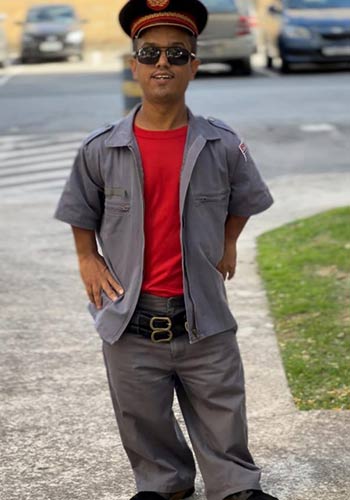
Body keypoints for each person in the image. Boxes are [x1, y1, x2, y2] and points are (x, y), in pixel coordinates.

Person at [55, 1, 279, 499]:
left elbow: (247, 197)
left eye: (177, 54)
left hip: (203, 318)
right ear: (133, 64)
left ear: (194, 66)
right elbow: (78, 209)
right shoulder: (101, 148)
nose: (163, 63)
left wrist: (228, 241)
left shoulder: (221, 144)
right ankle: (163, 484)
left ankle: (235, 485)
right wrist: (87, 258)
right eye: (150, 52)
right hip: (131, 321)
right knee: (142, 417)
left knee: (222, 409)